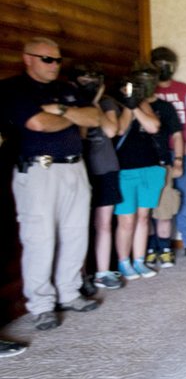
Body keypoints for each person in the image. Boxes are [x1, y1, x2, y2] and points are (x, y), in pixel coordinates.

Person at [0, 37, 101, 330]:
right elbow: (38, 124)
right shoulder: (13, 88)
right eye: (47, 59)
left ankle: (69, 292)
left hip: (75, 167)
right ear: (27, 58)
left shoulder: (66, 89)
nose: (54, 65)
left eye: (57, 60)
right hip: (38, 172)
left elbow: (93, 117)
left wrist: (60, 110)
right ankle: (41, 304)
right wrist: (69, 115)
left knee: (76, 233)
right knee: (39, 239)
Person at [67, 62, 124, 290]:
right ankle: (80, 276)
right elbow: (81, 133)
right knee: (78, 226)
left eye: (94, 80)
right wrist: (87, 105)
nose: (90, 84)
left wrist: (95, 103)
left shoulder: (107, 102)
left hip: (106, 167)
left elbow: (111, 130)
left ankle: (102, 272)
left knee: (104, 223)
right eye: (85, 80)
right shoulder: (69, 102)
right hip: (82, 169)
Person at [112, 64, 164, 281]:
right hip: (125, 169)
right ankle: (124, 262)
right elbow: (120, 129)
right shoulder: (114, 101)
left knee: (143, 218)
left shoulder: (143, 103)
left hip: (149, 167)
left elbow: (153, 126)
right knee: (126, 220)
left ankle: (139, 260)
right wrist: (127, 104)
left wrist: (135, 106)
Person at [151, 47, 186, 259]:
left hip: (184, 151)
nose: (164, 68)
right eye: (160, 63)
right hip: (156, 154)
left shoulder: (184, 89)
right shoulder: (149, 90)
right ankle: (156, 244)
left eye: (168, 63)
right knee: (156, 198)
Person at [144, 72, 185, 270]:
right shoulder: (129, 106)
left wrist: (178, 160)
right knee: (144, 214)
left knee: (164, 210)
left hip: (163, 165)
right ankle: (151, 248)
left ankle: (165, 248)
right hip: (139, 165)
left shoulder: (164, 107)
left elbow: (177, 135)